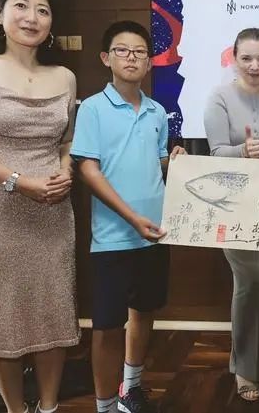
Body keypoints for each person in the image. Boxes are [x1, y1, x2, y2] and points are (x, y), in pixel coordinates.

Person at [70, 21, 185, 413]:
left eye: (140, 52)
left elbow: (157, 163)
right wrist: (132, 217)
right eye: (122, 50)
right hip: (113, 237)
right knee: (106, 326)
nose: (132, 58)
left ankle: (130, 389)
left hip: (155, 233)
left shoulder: (157, 112)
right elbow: (88, 170)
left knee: (145, 311)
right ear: (106, 58)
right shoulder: (92, 109)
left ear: (150, 62)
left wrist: (175, 161)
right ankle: (104, 406)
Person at [0, 0, 79, 413]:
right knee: (2, 312)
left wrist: (64, 172)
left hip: (53, 208)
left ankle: (50, 406)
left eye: (43, 10)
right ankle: (15, 409)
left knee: (52, 307)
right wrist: (20, 182)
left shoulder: (65, 77)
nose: (32, 17)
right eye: (20, 6)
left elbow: (67, 141)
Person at [204, 27, 259, 402]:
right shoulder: (219, 97)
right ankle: (243, 367)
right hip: (232, 199)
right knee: (249, 281)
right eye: (246, 58)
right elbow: (215, 153)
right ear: (233, 58)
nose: (255, 65)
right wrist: (242, 151)